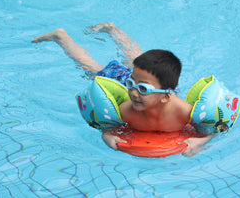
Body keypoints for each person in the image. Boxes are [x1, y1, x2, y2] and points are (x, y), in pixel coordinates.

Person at [32, 22, 215, 157]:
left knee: (135, 62)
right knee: (92, 69)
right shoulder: (128, 109)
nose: (133, 93)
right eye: (132, 88)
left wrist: (200, 141)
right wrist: (107, 137)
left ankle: (112, 31)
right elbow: (108, 127)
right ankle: (62, 38)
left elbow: (214, 129)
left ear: (167, 97)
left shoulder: (183, 112)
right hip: (120, 80)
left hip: (147, 83)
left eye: (141, 89)